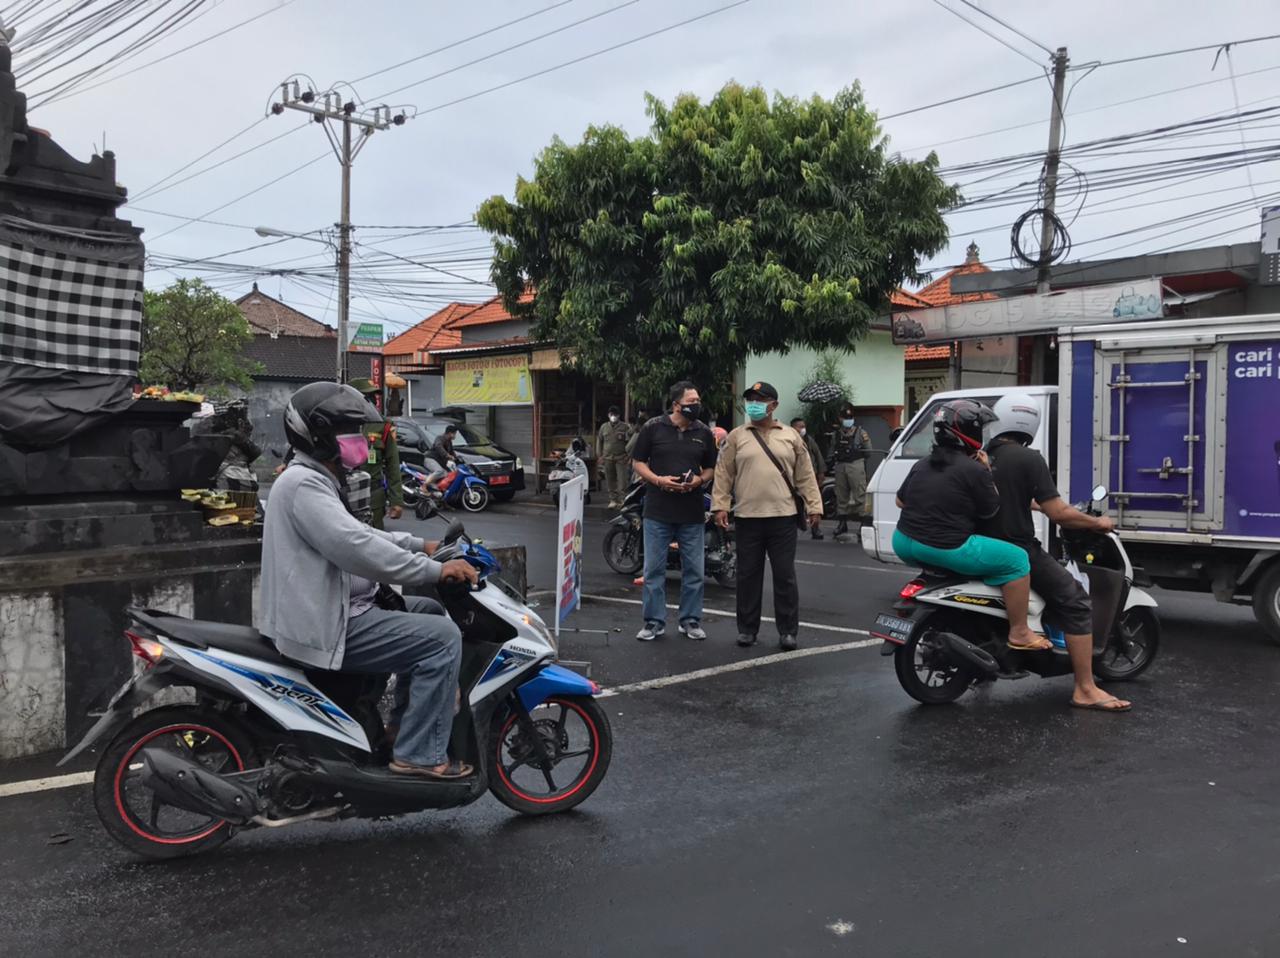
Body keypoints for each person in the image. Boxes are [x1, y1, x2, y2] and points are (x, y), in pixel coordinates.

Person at [262, 382, 479, 779]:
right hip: (330, 624)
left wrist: (421, 543)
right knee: (443, 639)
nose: (360, 440)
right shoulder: (303, 484)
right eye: (350, 432)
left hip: (342, 608)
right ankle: (418, 754)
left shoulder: (318, 478)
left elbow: (361, 532)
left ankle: (400, 728)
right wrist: (434, 569)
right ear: (319, 435)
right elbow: (355, 546)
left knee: (429, 609)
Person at [983, 394, 1132, 712]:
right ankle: (1085, 688)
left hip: (980, 545)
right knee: (1076, 601)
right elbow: (1060, 514)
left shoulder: (981, 456)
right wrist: (1097, 522)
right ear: (1029, 423)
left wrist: (1030, 501)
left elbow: (1001, 497)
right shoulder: (1029, 458)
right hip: (1016, 546)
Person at [892, 400, 1041, 650]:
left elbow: (900, 501)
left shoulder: (923, 464)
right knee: (1017, 559)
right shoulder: (975, 469)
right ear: (967, 433)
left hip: (904, 542)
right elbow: (990, 510)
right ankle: (1019, 632)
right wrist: (987, 471)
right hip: (944, 546)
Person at [715, 383, 823, 651]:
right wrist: (720, 505)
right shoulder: (737, 436)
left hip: (783, 517)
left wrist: (814, 506)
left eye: (759, 400)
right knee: (747, 576)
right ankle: (747, 630)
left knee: (785, 576)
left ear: (773, 405)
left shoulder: (791, 436)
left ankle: (788, 631)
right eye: (750, 400)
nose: (753, 404)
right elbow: (724, 473)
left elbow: (805, 474)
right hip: (748, 516)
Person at [630, 381, 718, 642]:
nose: (696, 406)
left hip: (691, 512)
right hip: (658, 510)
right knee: (654, 571)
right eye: (692, 401)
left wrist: (700, 481)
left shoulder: (702, 432)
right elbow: (638, 462)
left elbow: (711, 467)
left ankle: (690, 620)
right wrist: (658, 480)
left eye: (698, 401)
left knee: (694, 571)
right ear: (676, 404)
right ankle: (653, 622)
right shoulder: (653, 427)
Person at [348, 378, 403, 530]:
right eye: (366, 397)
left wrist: (396, 501)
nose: (371, 401)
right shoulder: (337, 424)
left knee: (375, 542)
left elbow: (393, 464)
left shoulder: (383, 425)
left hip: (373, 497)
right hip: (342, 495)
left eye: (373, 397)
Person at [828, 403, 872, 539]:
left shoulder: (861, 433)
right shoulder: (836, 434)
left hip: (855, 465)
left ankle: (863, 525)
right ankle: (842, 524)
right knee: (841, 495)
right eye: (845, 417)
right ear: (840, 419)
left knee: (860, 494)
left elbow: (868, 451)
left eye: (850, 417)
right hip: (841, 466)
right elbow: (832, 450)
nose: (848, 419)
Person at [790, 416, 827, 540]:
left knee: (813, 504)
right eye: (800, 427)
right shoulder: (788, 440)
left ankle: (815, 529)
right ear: (792, 428)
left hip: (810, 476)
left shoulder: (808, 440)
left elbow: (818, 455)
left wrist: (821, 473)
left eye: (804, 426)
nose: (803, 429)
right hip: (793, 479)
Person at [597, 405, 633, 509]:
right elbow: (599, 440)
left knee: (622, 480)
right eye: (611, 415)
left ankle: (623, 499)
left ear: (619, 415)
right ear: (608, 415)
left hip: (621, 458)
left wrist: (628, 456)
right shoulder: (604, 427)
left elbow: (630, 442)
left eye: (615, 415)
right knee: (610, 479)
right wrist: (599, 455)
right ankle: (613, 500)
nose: (613, 416)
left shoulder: (625, 427)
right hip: (607, 457)